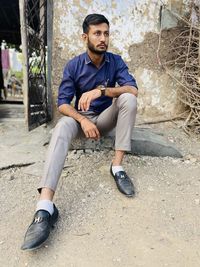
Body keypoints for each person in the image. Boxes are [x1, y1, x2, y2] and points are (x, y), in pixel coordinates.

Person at [21, 13, 138, 251]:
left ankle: (117, 167)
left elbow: (133, 89)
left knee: (127, 98)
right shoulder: (74, 65)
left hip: (105, 120)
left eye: (106, 33)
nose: (102, 38)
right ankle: (45, 208)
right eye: (97, 33)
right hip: (81, 121)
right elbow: (63, 104)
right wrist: (82, 121)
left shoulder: (115, 61)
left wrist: (102, 91)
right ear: (85, 37)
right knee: (63, 125)